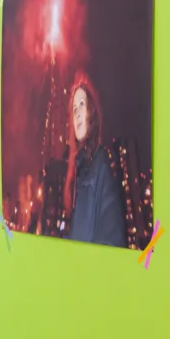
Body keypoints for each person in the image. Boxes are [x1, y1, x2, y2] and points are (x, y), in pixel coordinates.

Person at [61, 70, 127, 247]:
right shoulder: (79, 172)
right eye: (74, 109)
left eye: (81, 104)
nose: (77, 113)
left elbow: (111, 238)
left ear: (91, 111)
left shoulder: (101, 163)